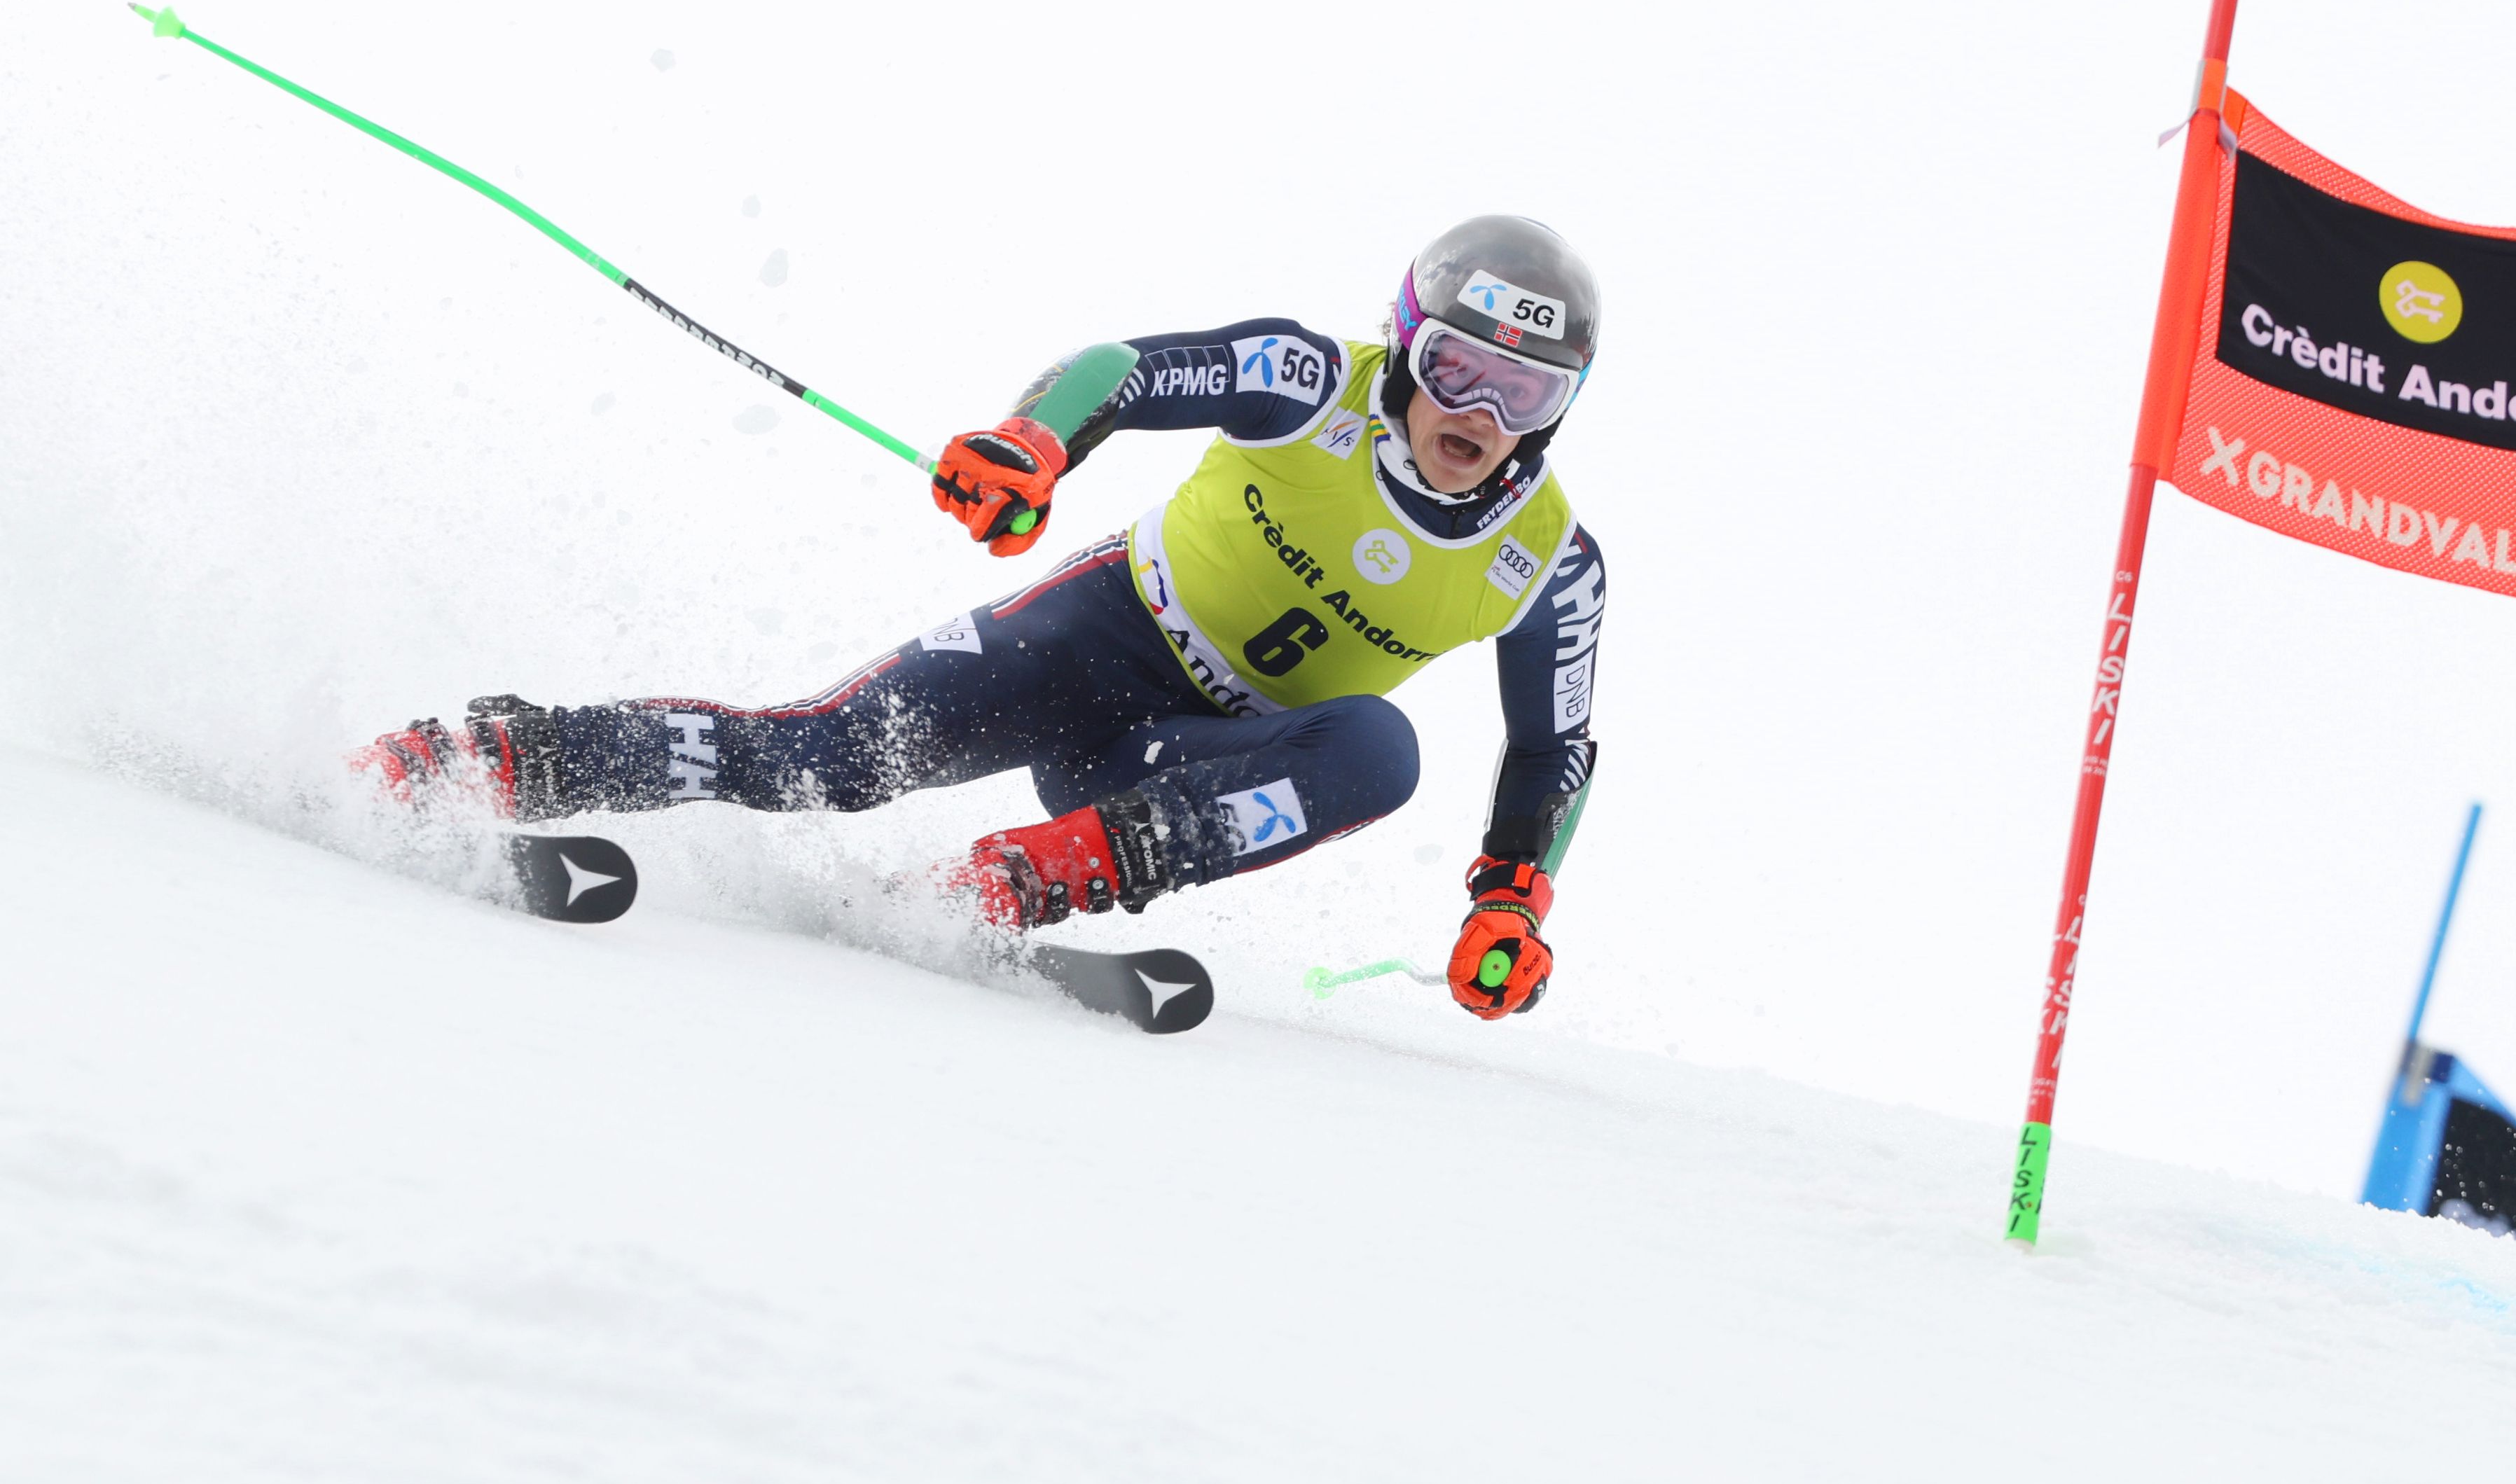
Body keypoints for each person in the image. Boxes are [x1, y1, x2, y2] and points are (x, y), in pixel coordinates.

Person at [356, 216, 1608, 1019]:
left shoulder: (1550, 564)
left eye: (1525, 392)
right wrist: (1034, 443)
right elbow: (1123, 372)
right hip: (1088, 644)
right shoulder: (1310, 379)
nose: (1479, 414)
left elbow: (1555, 750)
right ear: (1405, 345)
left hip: (1169, 767)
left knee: (1380, 750)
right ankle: (496, 759)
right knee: (824, 756)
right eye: (1458, 368)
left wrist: (1513, 900)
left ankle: (1010, 885)